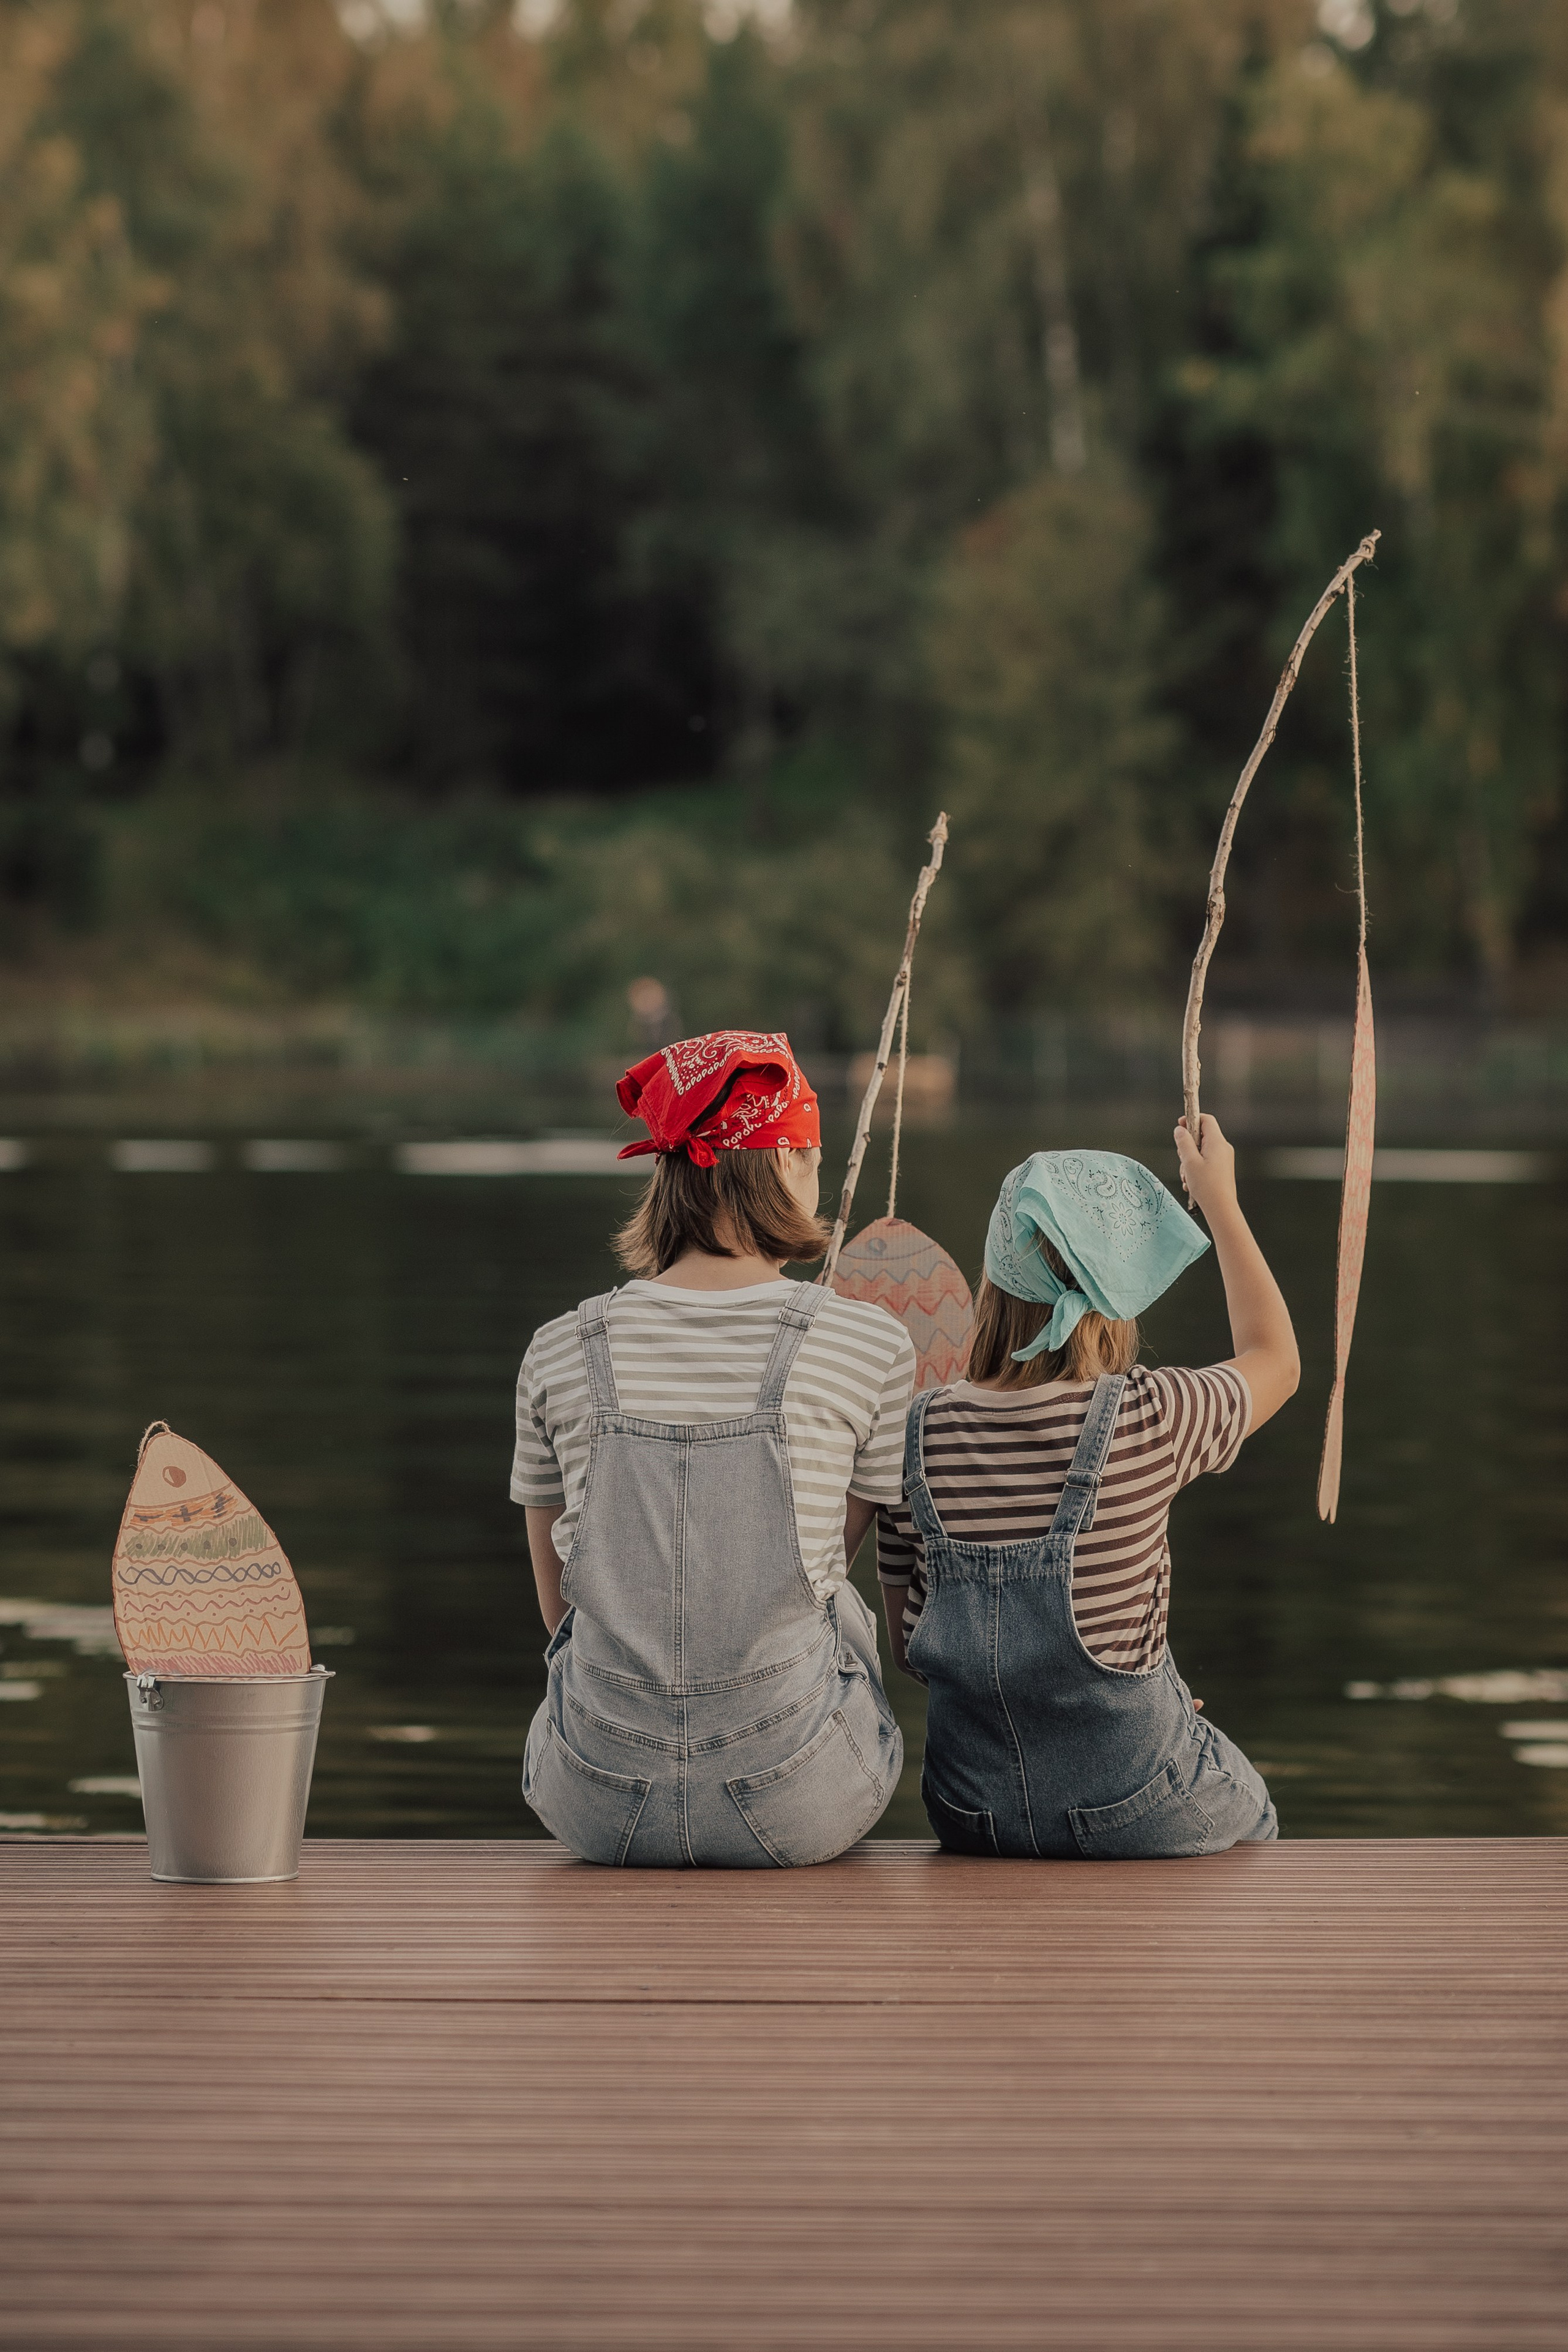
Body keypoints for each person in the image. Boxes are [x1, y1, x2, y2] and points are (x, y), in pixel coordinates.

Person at [513, 1030, 914, 1866]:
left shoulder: (557, 1348)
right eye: (811, 1159)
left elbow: (558, 1614)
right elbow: (820, 1572)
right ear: (789, 1162)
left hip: (592, 1802)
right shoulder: (871, 1344)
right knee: (834, 1600)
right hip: (798, 1802)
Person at [876, 1115, 1297, 1860]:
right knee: (1247, 1804)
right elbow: (1275, 1357)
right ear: (1120, 1293)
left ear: (991, 1280)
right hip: (1134, 1803)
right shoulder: (1154, 1414)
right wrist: (1221, 1201)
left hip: (969, 1812)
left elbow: (913, 1650)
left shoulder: (916, 1432)